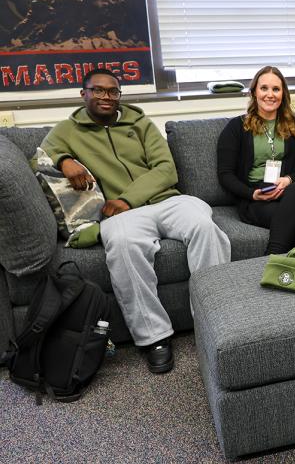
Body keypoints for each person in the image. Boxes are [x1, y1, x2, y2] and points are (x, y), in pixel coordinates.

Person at [40, 68, 231, 374]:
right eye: (98, 90)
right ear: (84, 94)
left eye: (113, 92)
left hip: (167, 200)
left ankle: (217, 322)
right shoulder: (66, 129)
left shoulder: (140, 123)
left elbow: (166, 170)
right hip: (123, 217)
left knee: (206, 228)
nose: (106, 97)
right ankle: (154, 338)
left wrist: (128, 198)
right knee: (123, 244)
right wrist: (65, 160)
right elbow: (40, 158)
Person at [217, 66, 295, 254]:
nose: (270, 94)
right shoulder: (236, 127)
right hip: (259, 199)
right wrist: (252, 194)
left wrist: (288, 180)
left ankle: (271, 257)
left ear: (283, 94)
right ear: (254, 92)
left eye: (276, 89)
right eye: (264, 88)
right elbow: (226, 175)